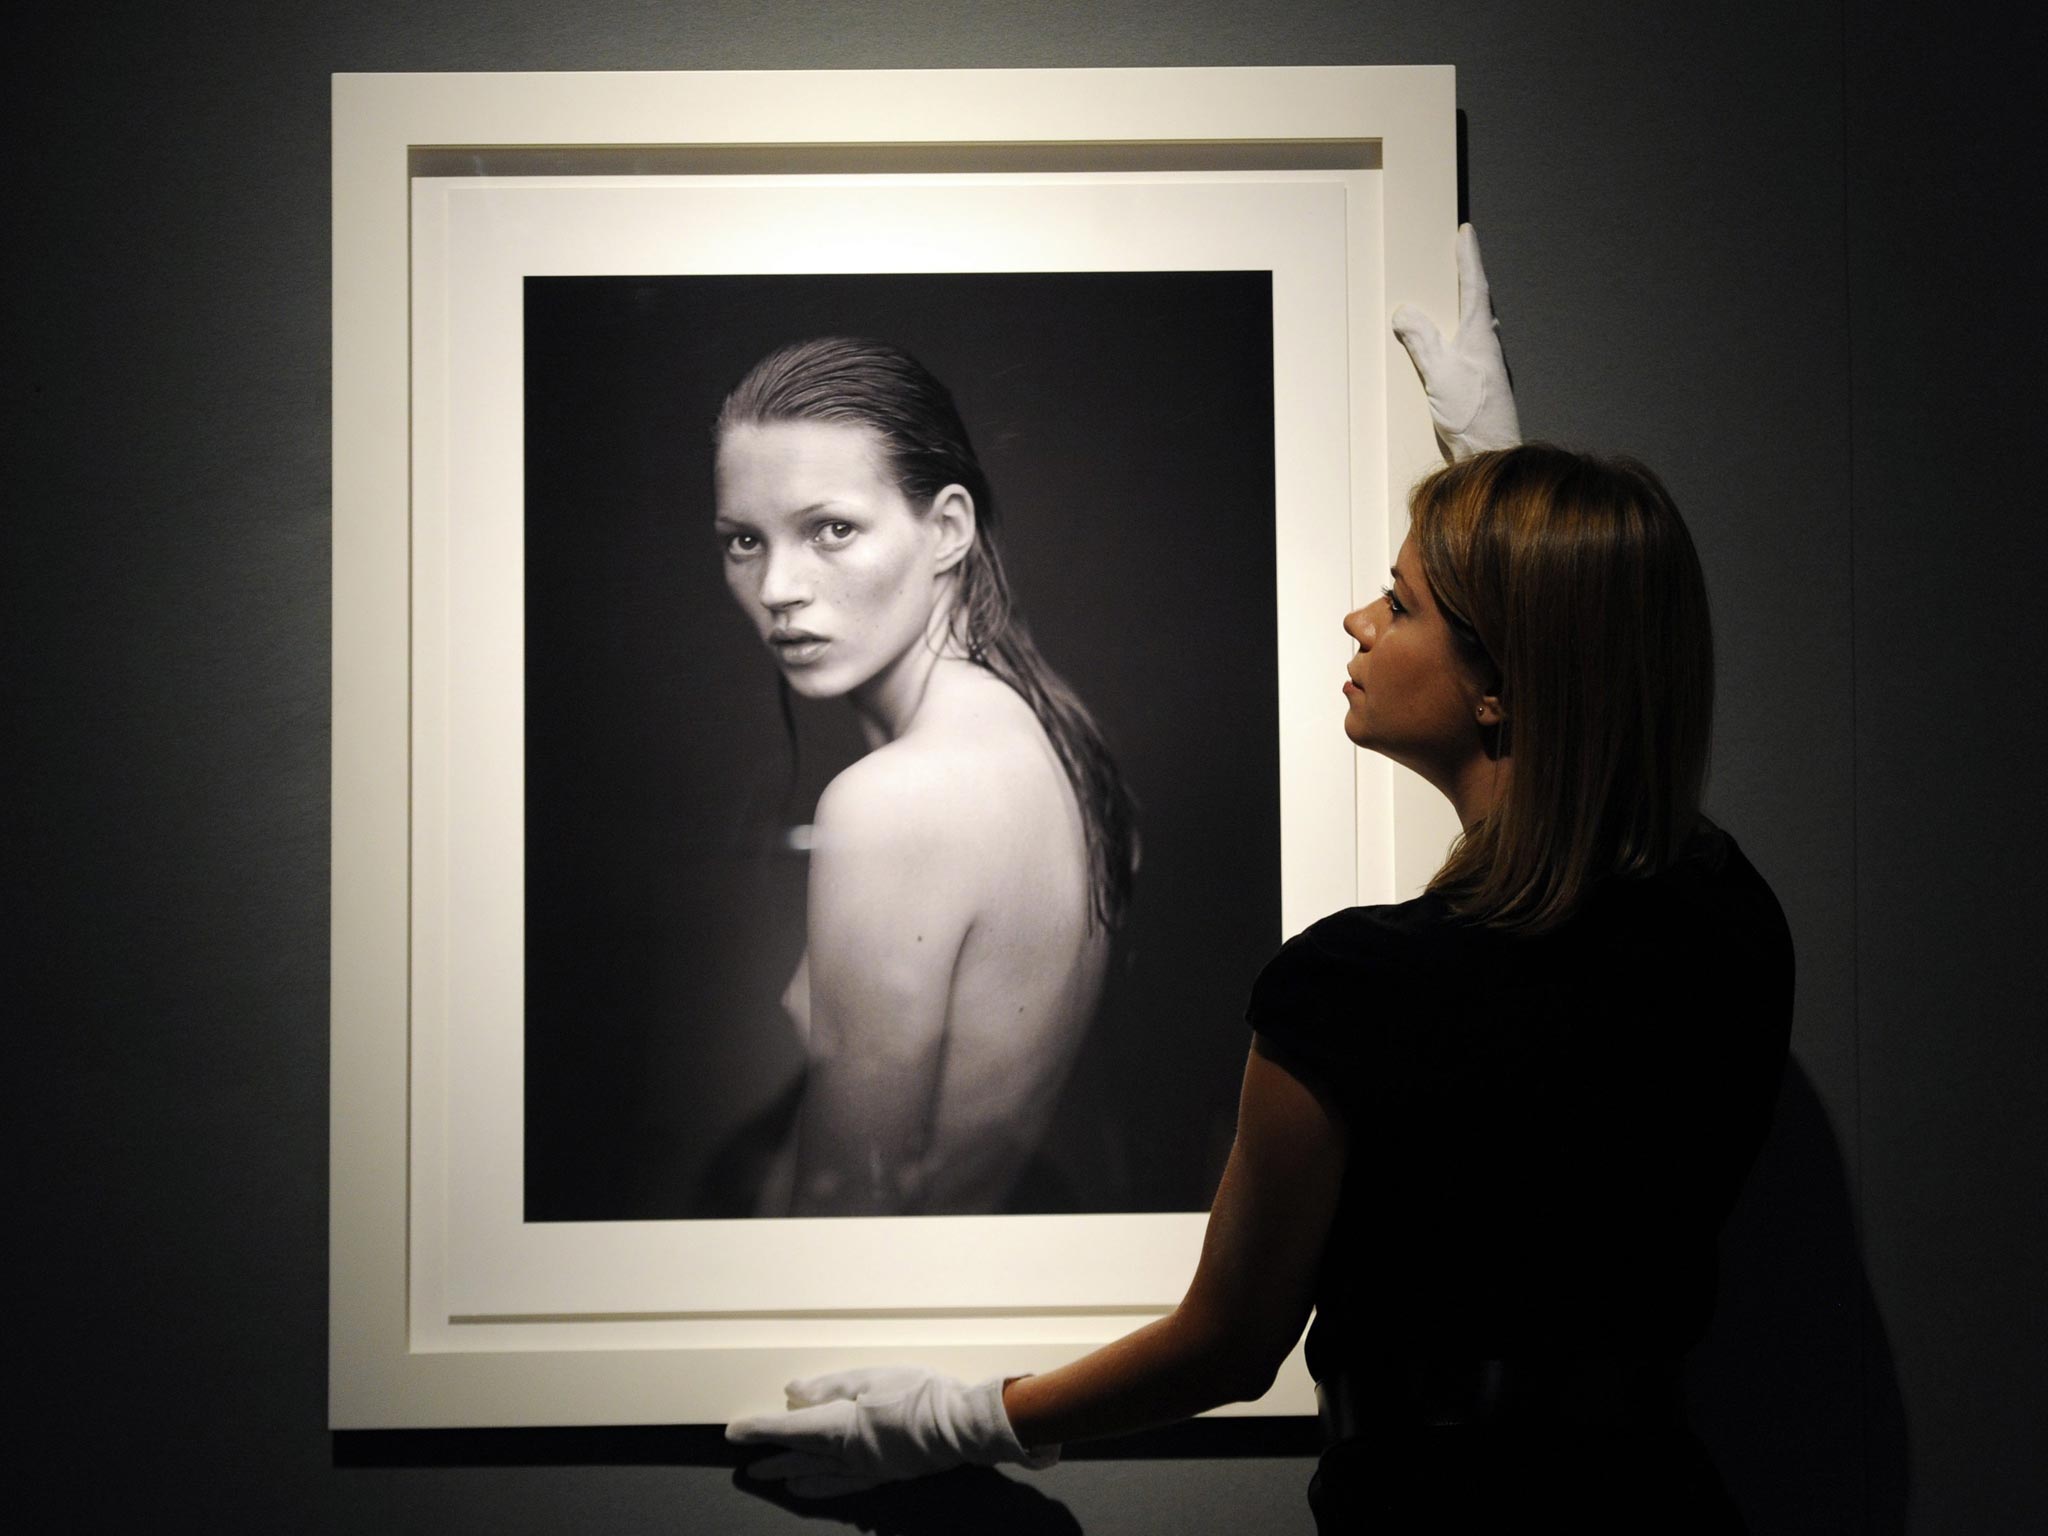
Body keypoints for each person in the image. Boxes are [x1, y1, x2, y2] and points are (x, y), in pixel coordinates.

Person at [725, 229, 1792, 1532]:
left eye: (1400, 605)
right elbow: (1604, 725)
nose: (1359, 622)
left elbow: (1229, 1342)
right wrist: (1499, 493)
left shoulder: (1359, 987)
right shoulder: (1719, 923)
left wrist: (954, 1420)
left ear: (1499, 681)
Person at [711, 336, 1138, 1217]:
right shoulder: (1062, 739)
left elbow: (849, 1208)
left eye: (832, 529)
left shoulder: (894, 802)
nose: (778, 586)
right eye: (745, 541)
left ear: (946, 529)